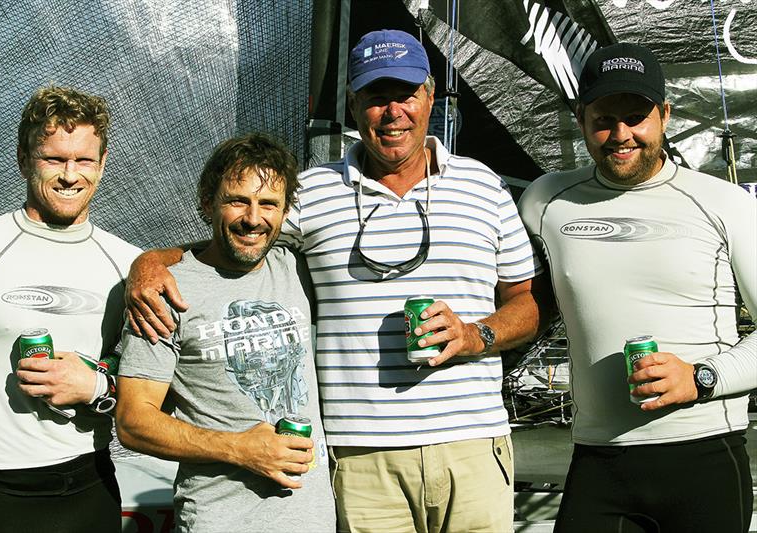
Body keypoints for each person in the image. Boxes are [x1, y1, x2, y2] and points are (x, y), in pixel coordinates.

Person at [126, 30, 549, 532]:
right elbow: (240, 232)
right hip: (361, 460)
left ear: (430, 97)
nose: (392, 111)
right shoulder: (313, 192)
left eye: (406, 93)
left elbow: (527, 303)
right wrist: (150, 262)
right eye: (375, 96)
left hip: (472, 447)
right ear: (353, 105)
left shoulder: (483, 185)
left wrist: (475, 335)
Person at [518, 42, 757, 532]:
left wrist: (704, 376)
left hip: (705, 455)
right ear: (581, 118)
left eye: (636, 117)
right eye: (605, 118)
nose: (621, 135)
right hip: (598, 460)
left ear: (665, 115)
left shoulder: (724, 203)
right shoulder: (544, 201)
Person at [115, 133, 336, 532]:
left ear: (285, 213)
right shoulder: (164, 291)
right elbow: (132, 421)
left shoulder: (298, 269)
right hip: (220, 521)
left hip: (313, 520)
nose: (253, 218)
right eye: (237, 200)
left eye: (268, 204)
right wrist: (239, 448)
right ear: (207, 203)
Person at [0, 86, 139, 533]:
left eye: (84, 160)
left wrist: (96, 384)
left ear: (103, 163)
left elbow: (153, 390)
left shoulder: (127, 264)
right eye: (54, 159)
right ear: (23, 159)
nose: (70, 175)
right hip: (1, 495)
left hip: (95, 485)